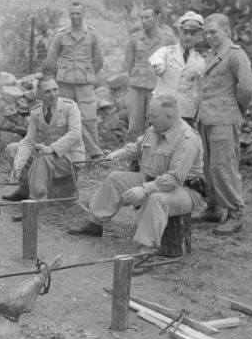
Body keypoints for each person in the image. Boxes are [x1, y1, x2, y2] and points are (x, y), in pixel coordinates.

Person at [68, 94, 204, 254]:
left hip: (183, 190)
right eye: (149, 115)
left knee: (157, 199)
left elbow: (174, 179)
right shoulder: (155, 129)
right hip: (151, 181)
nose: (150, 120)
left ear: (169, 116)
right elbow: (137, 147)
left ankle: (146, 248)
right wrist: (118, 154)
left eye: (154, 116)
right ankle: (95, 223)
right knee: (115, 179)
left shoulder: (187, 140)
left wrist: (144, 190)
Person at [194, 13, 252, 235]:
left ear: (227, 31)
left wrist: (237, 109)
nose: (209, 36)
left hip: (224, 119)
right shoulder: (212, 54)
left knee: (223, 166)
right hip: (206, 118)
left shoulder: (235, 55)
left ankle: (234, 213)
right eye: (206, 32)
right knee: (207, 166)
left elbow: (247, 88)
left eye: (213, 32)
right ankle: (212, 207)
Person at [2, 76, 86, 201]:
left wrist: (51, 149)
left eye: (55, 89)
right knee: (13, 149)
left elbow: (75, 134)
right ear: (39, 94)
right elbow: (28, 141)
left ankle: (33, 200)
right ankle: (24, 191)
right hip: (50, 155)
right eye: (48, 91)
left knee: (42, 157)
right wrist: (19, 163)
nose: (53, 94)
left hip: (71, 157)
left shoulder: (70, 107)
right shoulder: (36, 112)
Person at [43, 0, 104, 159]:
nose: (75, 17)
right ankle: (63, 152)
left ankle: (94, 153)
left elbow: (98, 59)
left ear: (83, 14)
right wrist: (62, 73)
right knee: (63, 117)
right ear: (69, 15)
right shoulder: (61, 34)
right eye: (72, 14)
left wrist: (88, 73)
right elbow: (50, 59)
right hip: (65, 84)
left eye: (78, 13)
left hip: (85, 84)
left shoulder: (91, 34)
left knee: (88, 118)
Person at [125, 7, 177, 145]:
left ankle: (153, 158)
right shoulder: (135, 39)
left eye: (147, 17)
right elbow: (129, 64)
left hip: (158, 87)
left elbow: (174, 65)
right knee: (134, 126)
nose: (143, 21)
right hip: (136, 87)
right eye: (141, 18)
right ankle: (134, 160)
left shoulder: (168, 40)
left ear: (156, 18)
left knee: (157, 124)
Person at [149, 11, 205, 127]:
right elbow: (156, 57)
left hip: (185, 113)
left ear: (199, 37)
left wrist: (198, 114)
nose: (188, 37)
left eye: (193, 33)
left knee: (183, 143)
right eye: (185, 32)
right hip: (162, 111)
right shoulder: (167, 51)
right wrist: (159, 66)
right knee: (158, 142)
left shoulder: (201, 62)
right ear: (179, 33)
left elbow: (201, 91)